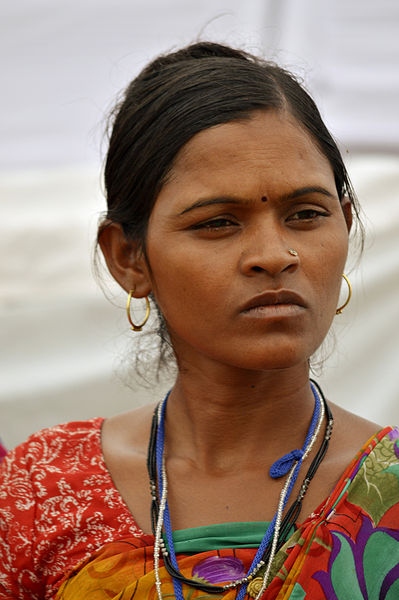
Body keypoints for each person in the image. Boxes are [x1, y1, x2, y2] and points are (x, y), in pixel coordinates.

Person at [1, 41, 399, 600]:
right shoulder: (38, 490)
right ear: (129, 258)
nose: (274, 253)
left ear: (347, 225)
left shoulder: (391, 489)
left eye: (306, 214)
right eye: (217, 223)